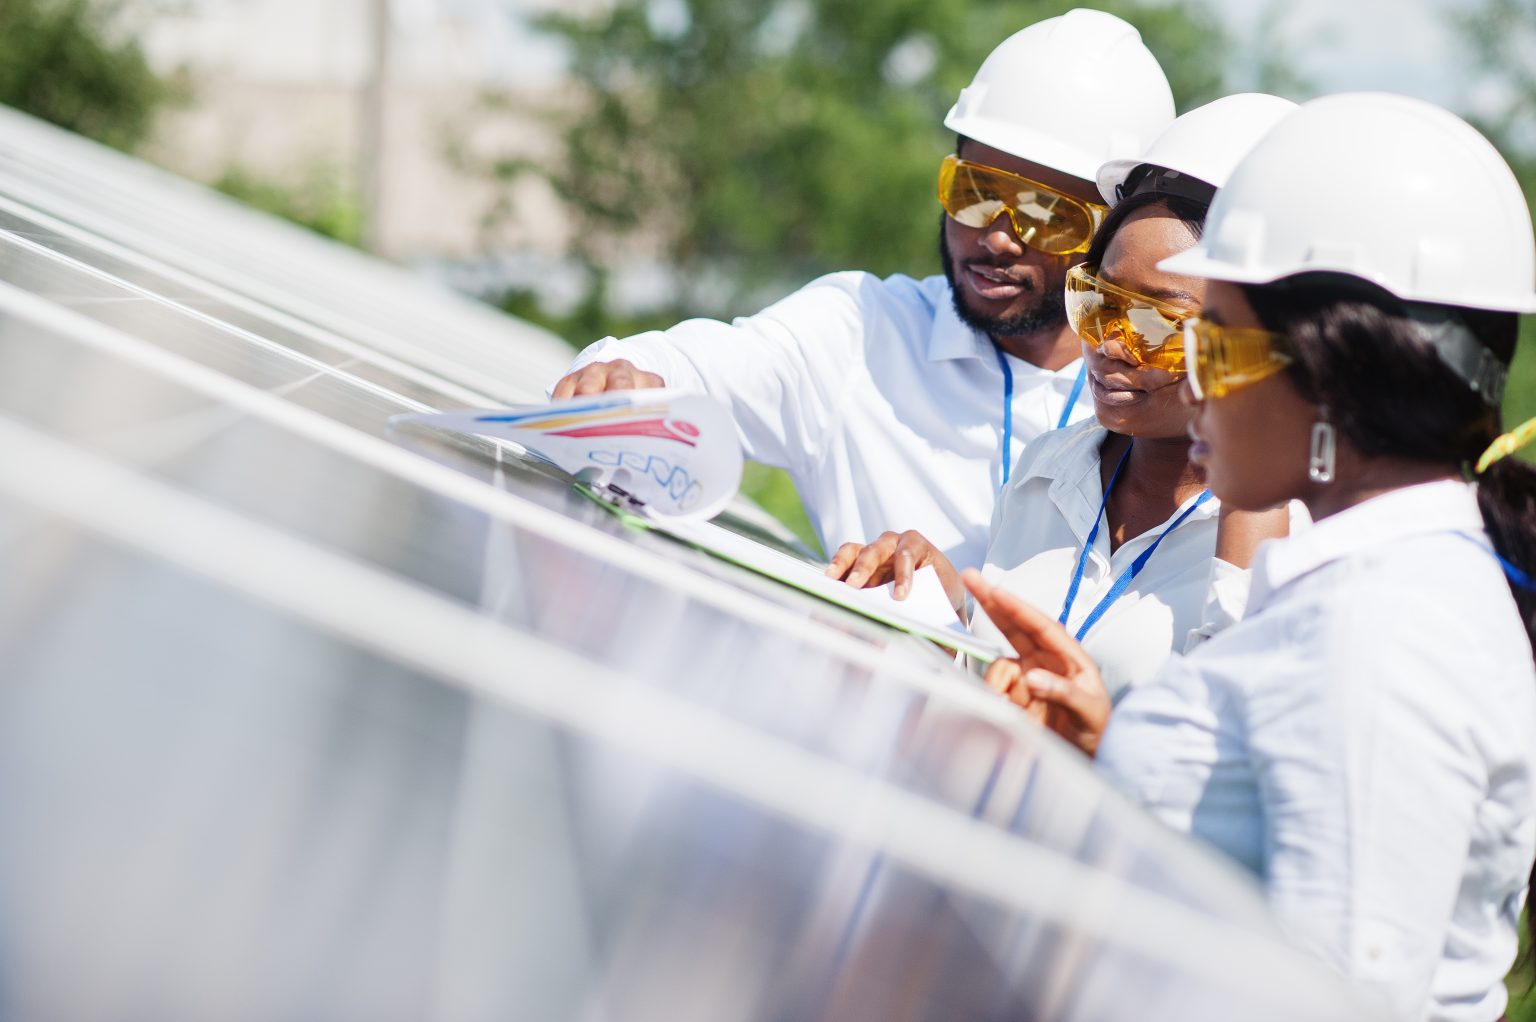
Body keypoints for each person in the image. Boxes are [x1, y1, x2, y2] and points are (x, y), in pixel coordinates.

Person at [965, 93, 1536, 1021]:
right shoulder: (1372, 591)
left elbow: (1338, 996)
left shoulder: (1384, 634)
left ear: (1329, 375)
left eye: (1213, 345)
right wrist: (1125, 757)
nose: (1191, 382)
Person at [550, 9, 1174, 571]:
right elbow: (690, 366)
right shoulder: (861, 333)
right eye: (976, 193)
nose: (999, 238)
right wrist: (619, 374)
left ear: (1110, 232)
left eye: (1048, 214)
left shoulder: (1155, 396)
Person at [828, 95, 1296, 697]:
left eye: (1159, 326)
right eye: (1100, 303)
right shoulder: (1047, 471)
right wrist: (947, 623)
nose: (1111, 345)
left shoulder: (1293, 539)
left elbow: (1229, 744)